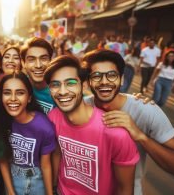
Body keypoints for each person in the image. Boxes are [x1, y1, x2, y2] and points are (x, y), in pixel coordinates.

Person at [82, 50, 174, 194]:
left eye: (111, 75)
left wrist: (141, 136)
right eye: (96, 76)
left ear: (122, 79)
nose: (104, 81)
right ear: (88, 81)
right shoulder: (81, 108)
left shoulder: (146, 110)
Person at [44, 55, 139, 195]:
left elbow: (125, 189)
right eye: (55, 85)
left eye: (70, 83)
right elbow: (57, 153)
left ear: (83, 85)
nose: (62, 91)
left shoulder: (117, 134)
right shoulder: (53, 117)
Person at [0, 72, 56, 195]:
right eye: (7, 92)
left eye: (20, 93)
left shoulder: (43, 126)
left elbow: (46, 165)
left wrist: (50, 193)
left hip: (37, 183)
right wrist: (10, 191)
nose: (13, 98)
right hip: (12, 180)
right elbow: (2, 159)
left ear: (29, 97)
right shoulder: (1, 122)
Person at [20, 37, 56, 114]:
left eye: (43, 59)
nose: (38, 65)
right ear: (23, 63)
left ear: (51, 61)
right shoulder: (19, 86)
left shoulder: (60, 90)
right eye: (31, 60)